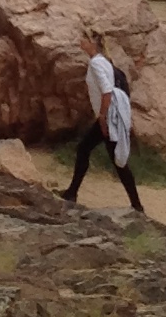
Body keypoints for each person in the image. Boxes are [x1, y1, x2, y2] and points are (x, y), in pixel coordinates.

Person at [60, 28, 143, 213]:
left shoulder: (96, 64)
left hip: (108, 117)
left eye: (84, 38)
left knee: (110, 158)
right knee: (87, 149)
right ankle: (72, 192)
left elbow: (106, 91)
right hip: (110, 115)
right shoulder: (104, 61)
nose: (80, 40)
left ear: (92, 42)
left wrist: (103, 118)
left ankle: (137, 205)